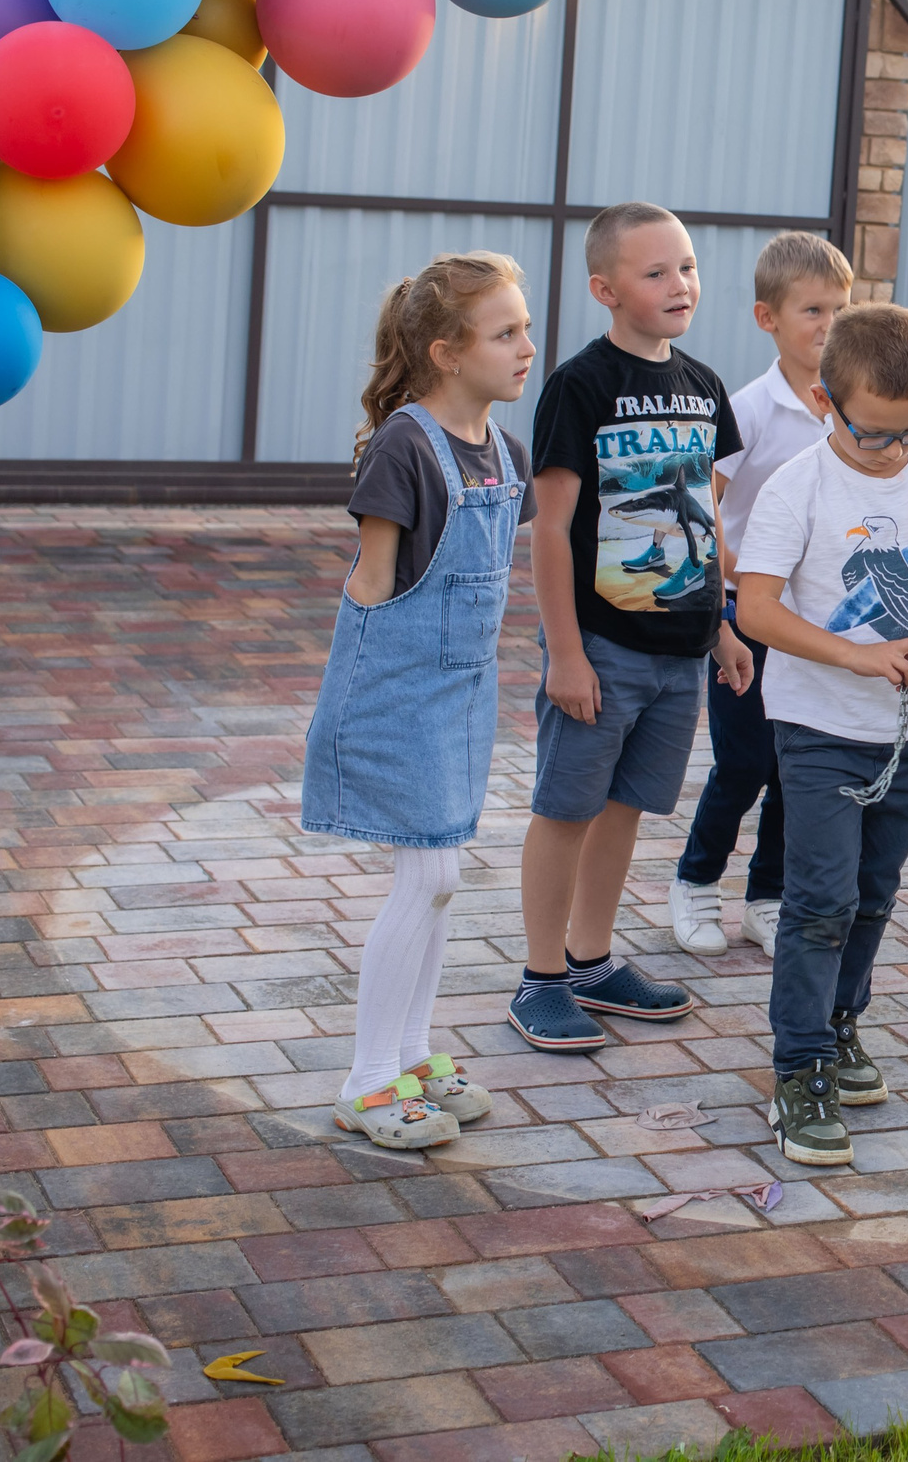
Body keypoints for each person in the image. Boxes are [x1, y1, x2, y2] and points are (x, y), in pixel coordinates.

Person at [733, 303, 908, 1166]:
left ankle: (839, 1024)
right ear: (826, 402)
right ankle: (799, 1068)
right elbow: (757, 607)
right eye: (874, 434)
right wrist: (858, 657)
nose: (896, 450)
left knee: (873, 894)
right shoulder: (799, 486)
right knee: (819, 901)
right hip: (817, 728)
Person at [304, 252, 537, 1149]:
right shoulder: (404, 445)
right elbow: (370, 586)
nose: (525, 347)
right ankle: (366, 1082)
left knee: (440, 877)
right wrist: (354, 720)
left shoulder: (502, 449)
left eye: (523, 327)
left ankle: (409, 1054)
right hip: (399, 690)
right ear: (446, 350)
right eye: (505, 332)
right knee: (430, 873)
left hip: (464, 693)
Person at [509, 203, 753, 1053]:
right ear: (606, 289)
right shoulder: (581, 385)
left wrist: (721, 623)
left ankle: (591, 959)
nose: (680, 284)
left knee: (624, 809)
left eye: (685, 266)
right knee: (567, 807)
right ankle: (540, 977)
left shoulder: (704, 384)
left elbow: (703, 511)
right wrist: (566, 652)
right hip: (601, 647)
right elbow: (548, 527)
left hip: (679, 651)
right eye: (656, 272)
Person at [667, 231, 852, 958]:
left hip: (818, 623)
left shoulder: (849, 407)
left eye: (841, 307)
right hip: (747, 614)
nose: (829, 325)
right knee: (743, 763)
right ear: (766, 317)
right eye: (812, 309)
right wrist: (741, 573)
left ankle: (767, 897)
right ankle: (694, 880)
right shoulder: (744, 408)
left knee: (797, 766)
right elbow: (700, 504)